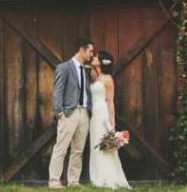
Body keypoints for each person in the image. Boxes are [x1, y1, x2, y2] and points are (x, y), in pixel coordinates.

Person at [48, 38, 95, 188]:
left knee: (78, 150)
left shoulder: (86, 70)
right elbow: (58, 91)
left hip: (84, 113)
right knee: (61, 147)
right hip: (69, 113)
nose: (92, 55)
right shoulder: (64, 67)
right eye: (90, 51)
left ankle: (73, 181)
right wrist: (59, 112)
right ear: (82, 50)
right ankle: (54, 180)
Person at [88, 50, 133, 189]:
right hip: (94, 114)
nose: (93, 58)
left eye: (96, 57)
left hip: (102, 113)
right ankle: (96, 174)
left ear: (101, 62)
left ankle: (106, 176)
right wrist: (93, 68)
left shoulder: (108, 79)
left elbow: (110, 102)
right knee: (95, 142)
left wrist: (112, 123)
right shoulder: (95, 76)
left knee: (105, 144)